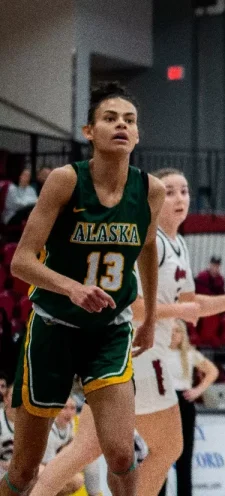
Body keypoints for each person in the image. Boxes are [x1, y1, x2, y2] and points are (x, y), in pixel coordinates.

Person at [30, 169, 225, 496]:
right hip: (137, 352)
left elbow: (191, 304)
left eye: (184, 191)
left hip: (121, 352)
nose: (180, 198)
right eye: (170, 192)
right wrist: (178, 313)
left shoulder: (179, 244)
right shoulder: (146, 241)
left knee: (86, 448)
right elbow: (133, 305)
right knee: (169, 447)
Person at [7, 82, 162, 496]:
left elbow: (147, 249)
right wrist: (71, 288)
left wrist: (149, 320)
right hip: (53, 327)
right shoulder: (65, 180)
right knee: (23, 470)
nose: (121, 126)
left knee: (121, 453)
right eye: (110, 118)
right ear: (88, 131)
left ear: (138, 134)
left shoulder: (151, 190)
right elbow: (21, 261)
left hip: (110, 331)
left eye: (129, 120)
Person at [164, 321, 219, 496]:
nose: (174, 335)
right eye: (171, 331)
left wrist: (198, 390)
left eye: (177, 331)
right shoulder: (157, 353)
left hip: (184, 402)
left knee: (185, 456)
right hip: (163, 403)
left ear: (183, 334)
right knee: (160, 456)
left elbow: (212, 371)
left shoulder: (189, 354)